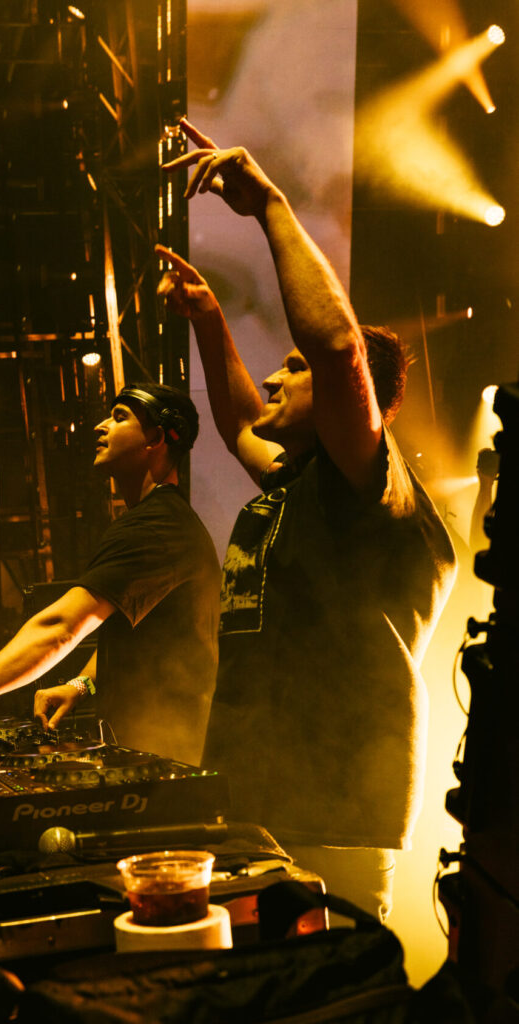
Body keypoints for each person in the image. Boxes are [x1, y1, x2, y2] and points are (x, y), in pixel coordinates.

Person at [157, 119, 456, 920]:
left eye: (290, 368)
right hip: (263, 798)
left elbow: (337, 350)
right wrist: (207, 318)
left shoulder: (366, 486)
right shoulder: (296, 486)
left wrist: (270, 206)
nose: (271, 378)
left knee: (337, 983)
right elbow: (237, 427)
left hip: (334, 812)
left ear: (350, 400)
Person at [0, 382, 220, 766]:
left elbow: (59, 627)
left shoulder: (157, 527)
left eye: (119, 417)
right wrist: (79, 686)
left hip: (167, 758)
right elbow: (135, 639)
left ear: (156, 439)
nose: (100, 426)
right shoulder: (162, 521)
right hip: (161, 750)